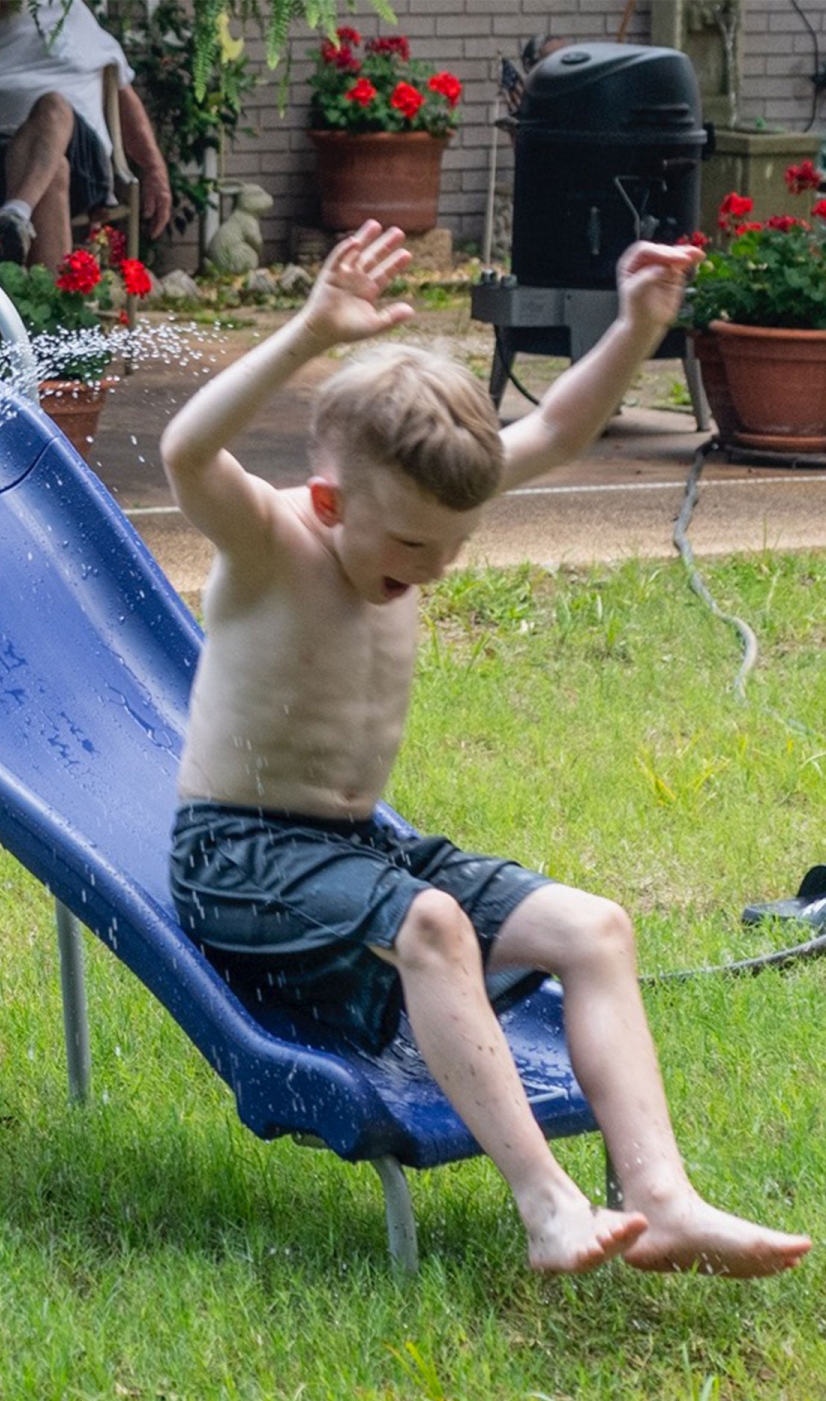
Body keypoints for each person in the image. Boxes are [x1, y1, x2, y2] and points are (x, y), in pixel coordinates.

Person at [162, 220, 813, 1278]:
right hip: (238, 857)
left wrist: (637, 326)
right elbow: (187, 449)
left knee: (597, 929)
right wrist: (310, 330)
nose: (435, 571)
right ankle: (549, 1207)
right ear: (331, 504)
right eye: (414, 548)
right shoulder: (271, 544)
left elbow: (556, 428)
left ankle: (661, 1196)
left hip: (355, 847)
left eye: (455, 547)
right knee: (432, 925)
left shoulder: (420, 503)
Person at [0, 0, 171, 270]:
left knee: (53, 106)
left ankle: (14, 213)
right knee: (55, 170)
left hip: (84, 164)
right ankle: (44, 302)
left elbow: (125, 99)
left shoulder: (73, 14)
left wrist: (155, 169)